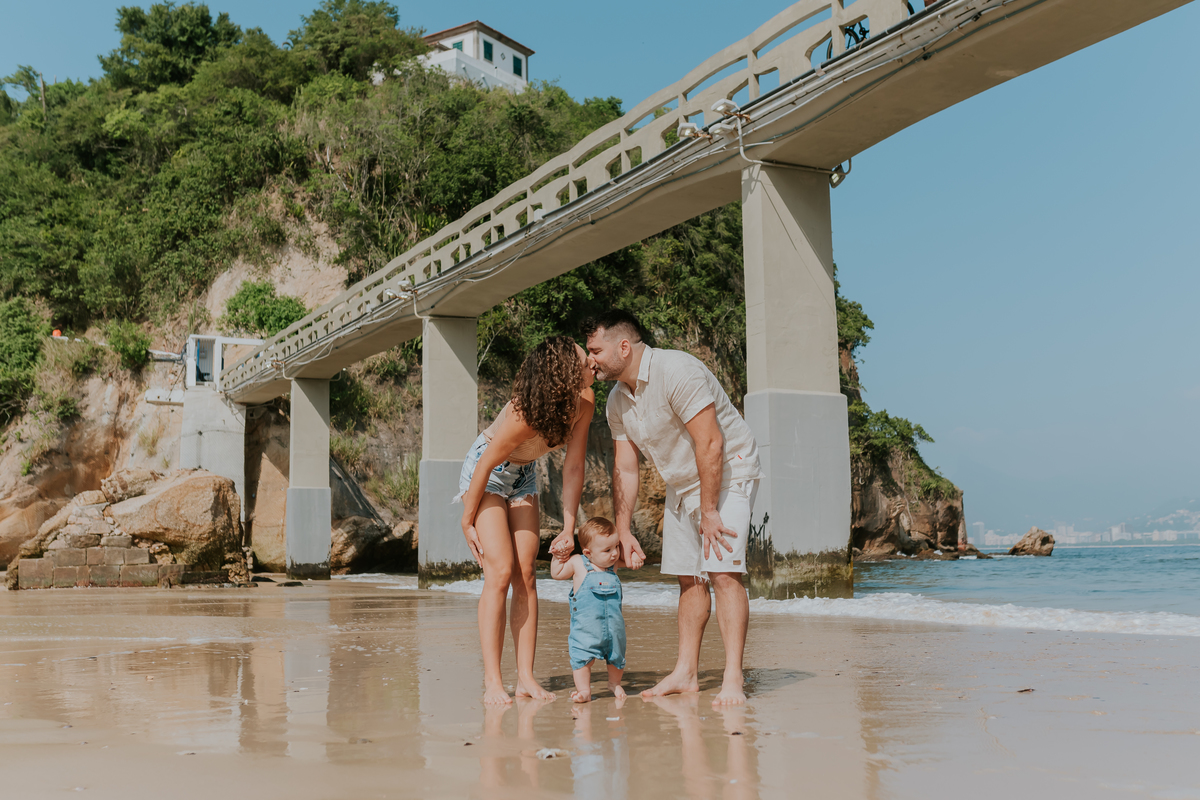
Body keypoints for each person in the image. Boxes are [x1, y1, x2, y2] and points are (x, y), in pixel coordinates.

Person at [582, 310, 763, 706]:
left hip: (728, 469)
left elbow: (711, 443)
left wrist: (711, 511)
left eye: (595, 350)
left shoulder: (677, 370)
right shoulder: (616, 401)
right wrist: (624, 530)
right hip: (683, 481)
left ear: (623, 347)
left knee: (722, 570)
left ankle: (733, 675)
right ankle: (686, 672)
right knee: (688, 576)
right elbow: (626, 467)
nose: (589, 359)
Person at [458, 335, 595, 705]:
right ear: (564, 374)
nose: (591, 364)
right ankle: (492, 681)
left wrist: (569, 528)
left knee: (527, 573)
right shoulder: (525, 414)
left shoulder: (585, 402)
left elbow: (574, 466)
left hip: (523, 476)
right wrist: (467, 521)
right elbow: (486, 463)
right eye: (584, 361)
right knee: (500, 572)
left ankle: (525, 679)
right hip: (488, 471)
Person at [550, 517, 629, 703]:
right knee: (582, 659)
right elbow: (557, 573)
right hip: (586, 629)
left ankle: (614, 683)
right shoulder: (578, 563)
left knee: (617, 656)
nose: (614, 554)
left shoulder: (613, 566)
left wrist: (633, 557)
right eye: (607, 550)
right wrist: (557, 556)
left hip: (614, 628)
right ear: (587, 552)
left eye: (616, 547)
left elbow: (630, 561)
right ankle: (584, 690)